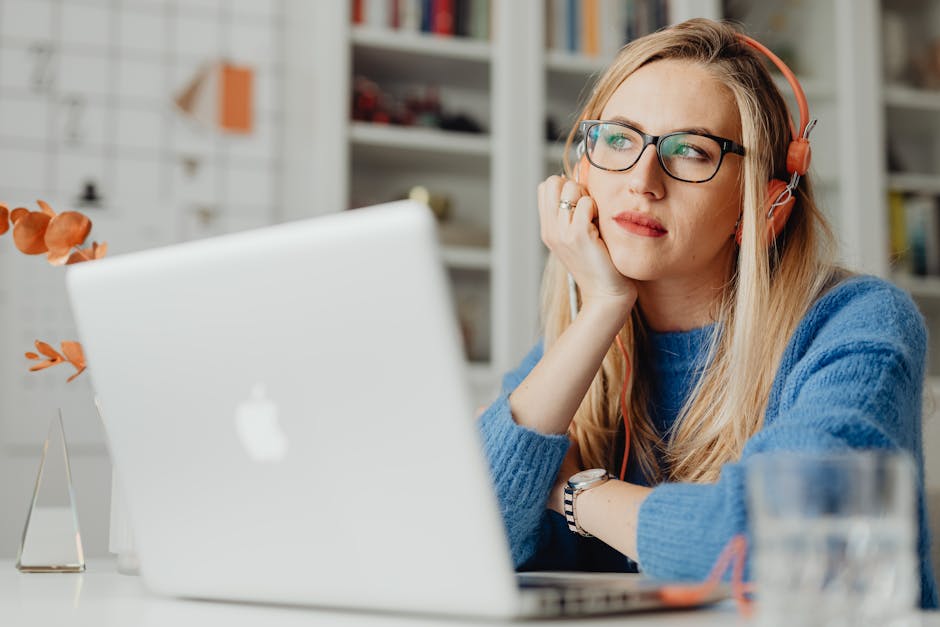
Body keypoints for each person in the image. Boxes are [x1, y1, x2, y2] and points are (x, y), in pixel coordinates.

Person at [477, 18, 938, 608]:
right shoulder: (578, 351)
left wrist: (573, 493)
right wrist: (603, 307)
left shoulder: (854, 324)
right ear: (580, 170)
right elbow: (465, 535)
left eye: (691, 151)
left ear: (769, 203)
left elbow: (770, 544)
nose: (643, 181)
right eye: (619, 139)